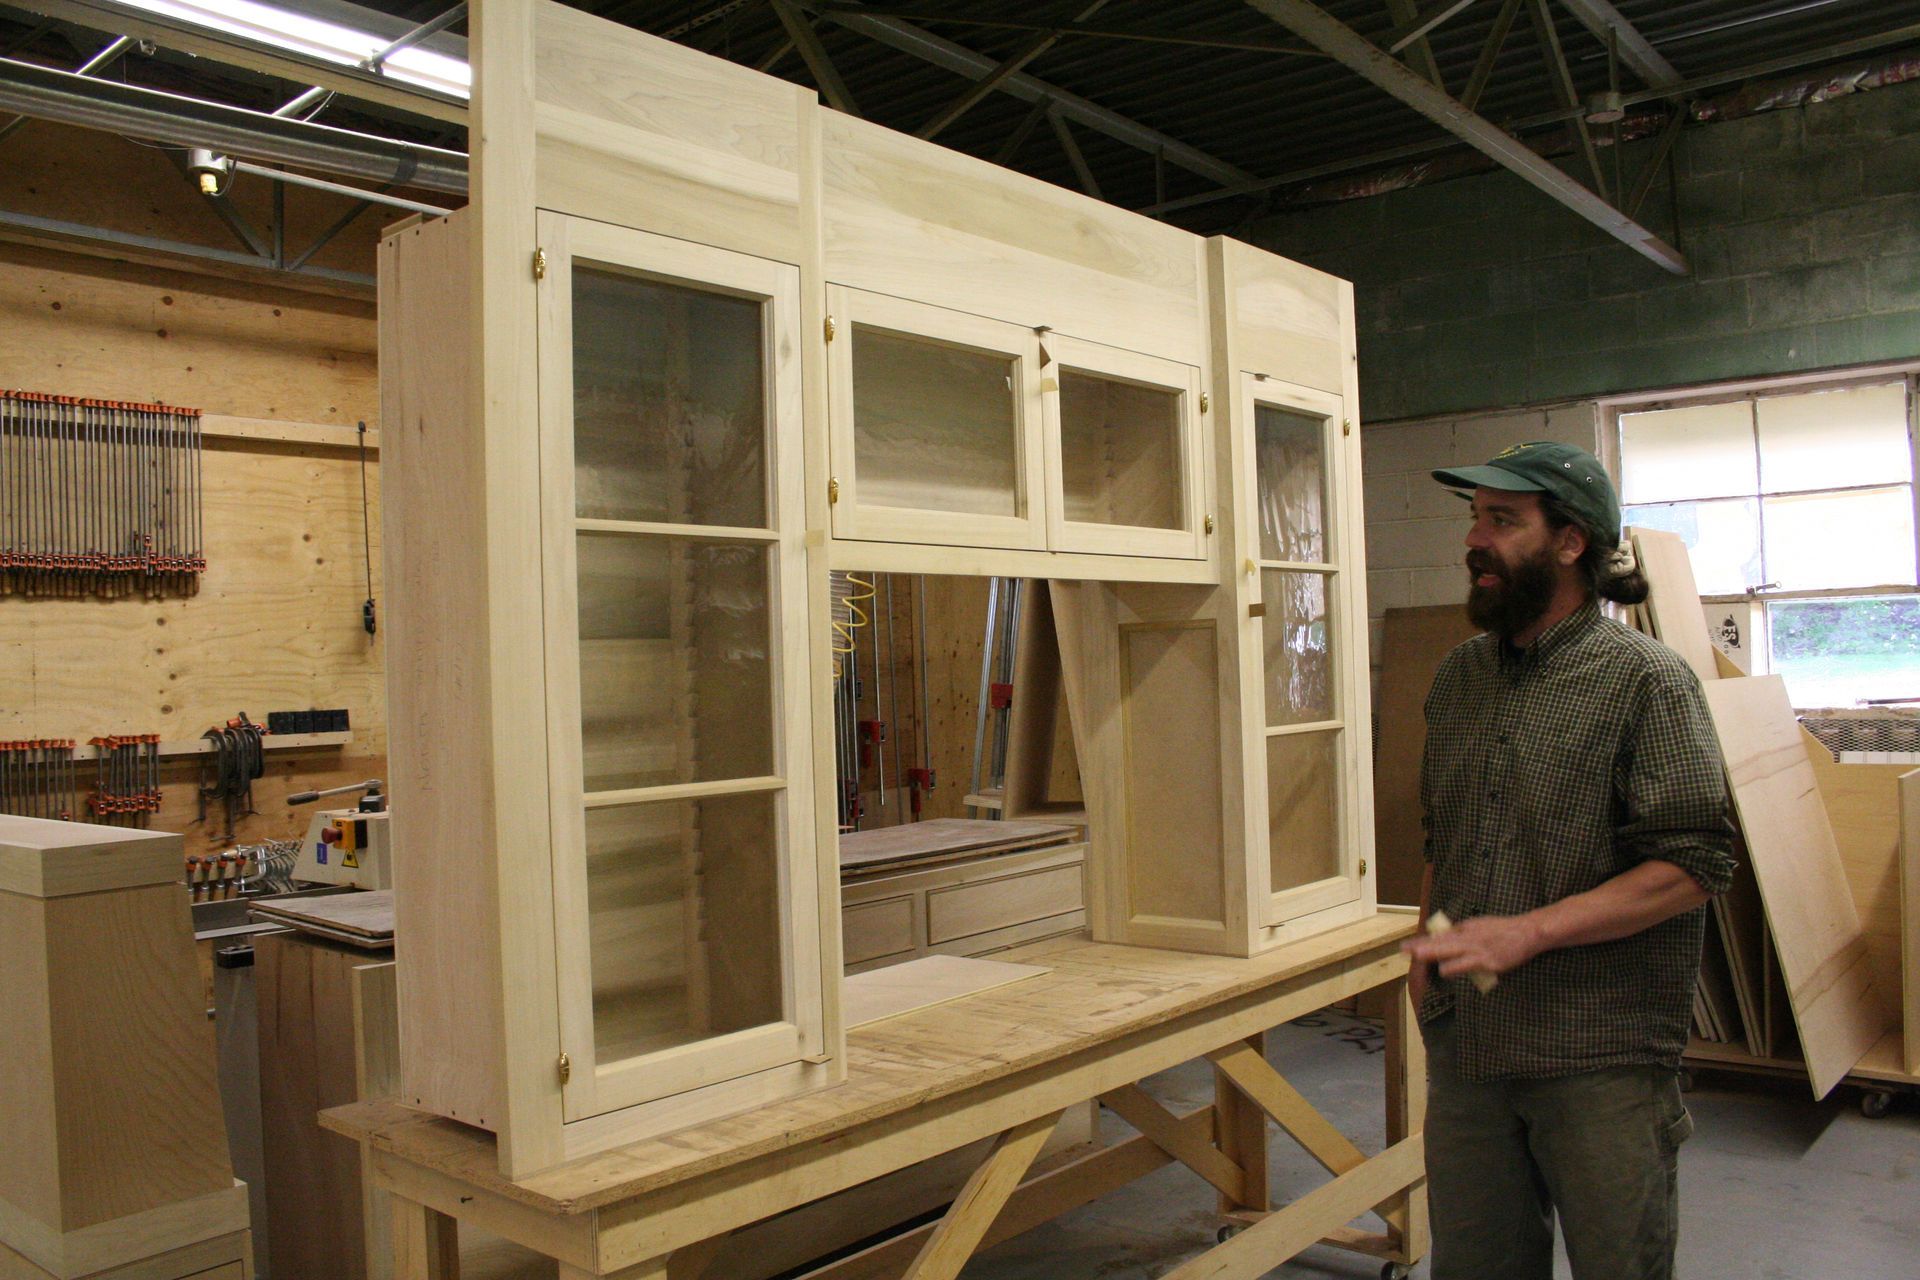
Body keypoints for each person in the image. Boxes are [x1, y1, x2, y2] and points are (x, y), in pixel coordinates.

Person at [1401, 441, 1736, 1280]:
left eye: (1503, 520)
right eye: (1474, 518)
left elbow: (1694, 862)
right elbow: (1447, 835)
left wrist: (1528, 934)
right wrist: (1426, 944)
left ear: (1570, 543)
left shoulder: (1647, 682)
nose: (1474, 540)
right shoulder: (1458, 678)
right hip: (1470, 1044)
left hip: (1598, 1053)